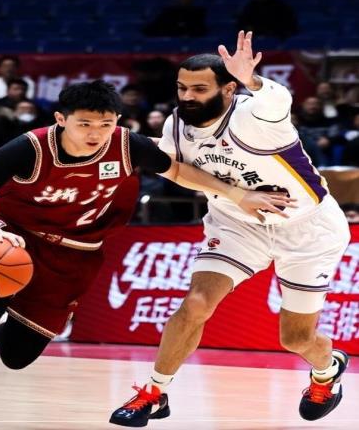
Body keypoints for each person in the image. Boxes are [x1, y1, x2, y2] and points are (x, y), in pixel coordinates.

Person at [0, 79, 291, 429]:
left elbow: (178, 170)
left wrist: (239, 195)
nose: (96, 133)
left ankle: (5, 320)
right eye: (85, 124)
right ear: (61, 119)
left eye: (106, 124)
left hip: (75, 258)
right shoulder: (28, 148)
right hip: (14, 244)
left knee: (17, 357)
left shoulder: (126, 145)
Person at [110, 31, 351, 427]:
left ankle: (327, 370)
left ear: (227, 89)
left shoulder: (255, 116)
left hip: (307, 230)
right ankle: (154, 392)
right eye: (182, 88)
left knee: (295, 339)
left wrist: (251, 80)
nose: (187, 97)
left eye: (199, 89)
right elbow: (176, 168)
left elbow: (277, 101)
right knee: (196, 303)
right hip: (237, 224)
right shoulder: (177, 124)